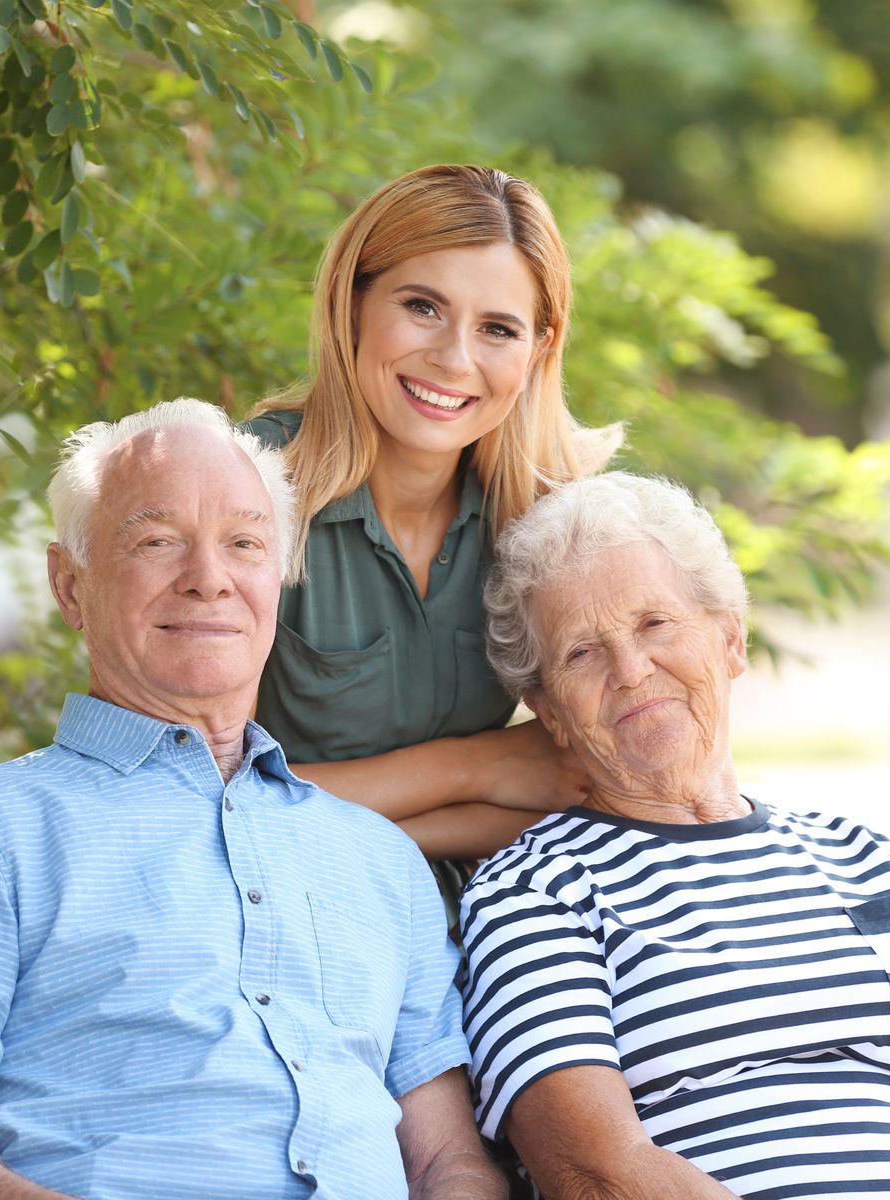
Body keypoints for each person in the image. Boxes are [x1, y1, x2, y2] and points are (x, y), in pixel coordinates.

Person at [0, 399, 504, 1200]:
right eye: (157, 542)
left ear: (279, 580)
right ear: (70, 586)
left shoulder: (380, 858)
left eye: (245, 544)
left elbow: (444, 1161)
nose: (209, 578)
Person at [458, 473, 890, 1200]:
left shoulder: (869, 860)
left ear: (730, 639)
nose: (631, 670)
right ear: (549, 712)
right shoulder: (533, 892)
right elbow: (595, 1171)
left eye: (656, 624)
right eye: (581, 654)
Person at [243, 163, 619, 865]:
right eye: (422, 307)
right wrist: (478, 768)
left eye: (498, 329)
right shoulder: (244, 490)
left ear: (539, 347)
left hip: (489, 930)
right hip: (281, 929)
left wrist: (400, 827)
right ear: (351, 303)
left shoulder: (556, 524)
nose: (453, 359)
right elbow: (192, 799)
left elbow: (608, 786)